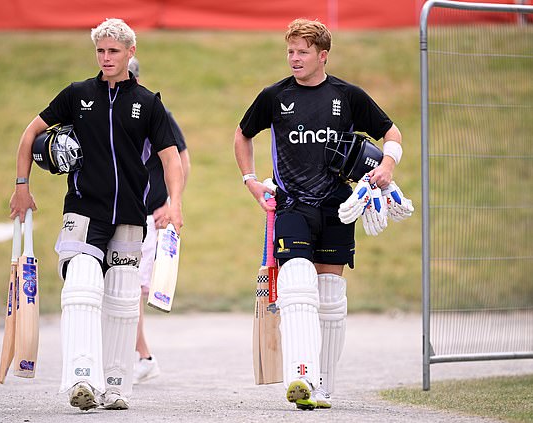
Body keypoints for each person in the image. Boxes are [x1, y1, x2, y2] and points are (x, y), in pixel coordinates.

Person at [9, 18, 184, 412]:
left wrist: (175, 203)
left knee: (123, 302)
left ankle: (117, 386)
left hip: (129, 217)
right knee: (82, 286)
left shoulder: (148, 103)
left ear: (130, 53)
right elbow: (29, 135)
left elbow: (171, 159)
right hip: (84, 211)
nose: (106, 58)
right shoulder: (76, 95)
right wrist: (22, 186)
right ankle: (81, 378)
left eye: (113, 51)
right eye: (101, 51)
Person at [233, 18, 404, 410]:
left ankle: (323, 387)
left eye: (302, 52)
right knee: (296, 288)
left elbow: (391, 134)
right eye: (290, 51)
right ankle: (301, 376)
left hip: (337, 208)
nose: (294, 58)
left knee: (330, 299)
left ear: (322, 55)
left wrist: (387, 167)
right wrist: (250, 180)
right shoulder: (275, 96)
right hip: (291, 206)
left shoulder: (347, 95)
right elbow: (243, 133)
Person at [127, 57, 191, 384]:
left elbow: (181, 159)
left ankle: (141, 356)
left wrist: (170, 203)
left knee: (134, 288)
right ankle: (137, 354)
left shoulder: (157, 112)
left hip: (150, 211)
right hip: (120, 209)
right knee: (124, 286)